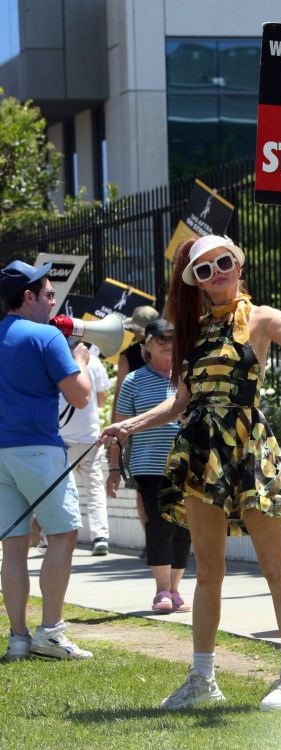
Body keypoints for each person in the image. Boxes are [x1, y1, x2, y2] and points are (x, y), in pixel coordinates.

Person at [99, 233, 281, 711]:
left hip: (249, 447)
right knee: (209, 570)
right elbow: (180, 401)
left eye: (223, 262)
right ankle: (202, 677)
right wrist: (128, 425)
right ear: (198, 284)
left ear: (238, 265)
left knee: (274, 566)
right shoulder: (195, 331)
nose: (216, 272)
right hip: (203, 451)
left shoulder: (260, 317)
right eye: (204, 269)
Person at [0, 260, 93, 661]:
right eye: (49, 294)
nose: (54, 302)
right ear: (28, 297)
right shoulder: (46, 337)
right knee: (63, 535)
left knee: (14, 545)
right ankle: (51, 633)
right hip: (39, 449)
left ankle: (17, 638)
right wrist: (83, 361)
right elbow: (81, 396)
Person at [106, 318, 191, 612]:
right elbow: (118, 428)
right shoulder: (134, 381)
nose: (168, 344)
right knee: (159, 525)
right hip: (148, 465)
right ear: (146, 346)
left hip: (187, 465)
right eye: (160, 339)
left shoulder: (188, 377)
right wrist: (114, 468)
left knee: (184, 527)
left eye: (172, 338)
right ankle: (161, 590)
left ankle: (176, 589)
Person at [112, 304, 159, 554]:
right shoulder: (169, 352)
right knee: (148, 488)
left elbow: (120, 395)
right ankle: (160, 542)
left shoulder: (127, 356)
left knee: (143, 490)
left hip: (138, 429)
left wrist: (116, 429)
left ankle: (154, 542)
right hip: (154, 428)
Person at [60, 350, 111, 556]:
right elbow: (101, 399)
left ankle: (53, 535)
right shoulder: (96, 361)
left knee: (61, 489)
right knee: (95, 488)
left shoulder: (56, 357)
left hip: (61, 437)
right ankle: (100, 536)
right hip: (90, 437)